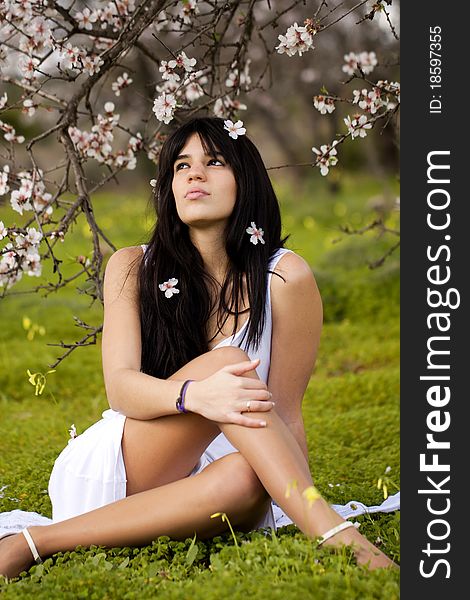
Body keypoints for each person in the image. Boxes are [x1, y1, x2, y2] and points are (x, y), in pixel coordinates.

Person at [0, 116, 396, 578]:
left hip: (212, 479)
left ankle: (35, 543)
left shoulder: (286, 279)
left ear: (244, 178)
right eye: (181, 165)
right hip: (127, 464)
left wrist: (290, 501)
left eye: (214, 162)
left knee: (249, 477)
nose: (194, 175)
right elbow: (121, 390)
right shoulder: (130, 266)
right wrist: (195, 397)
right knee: (230, 364)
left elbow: (285, 412)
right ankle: (337, 537)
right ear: (170, 186)